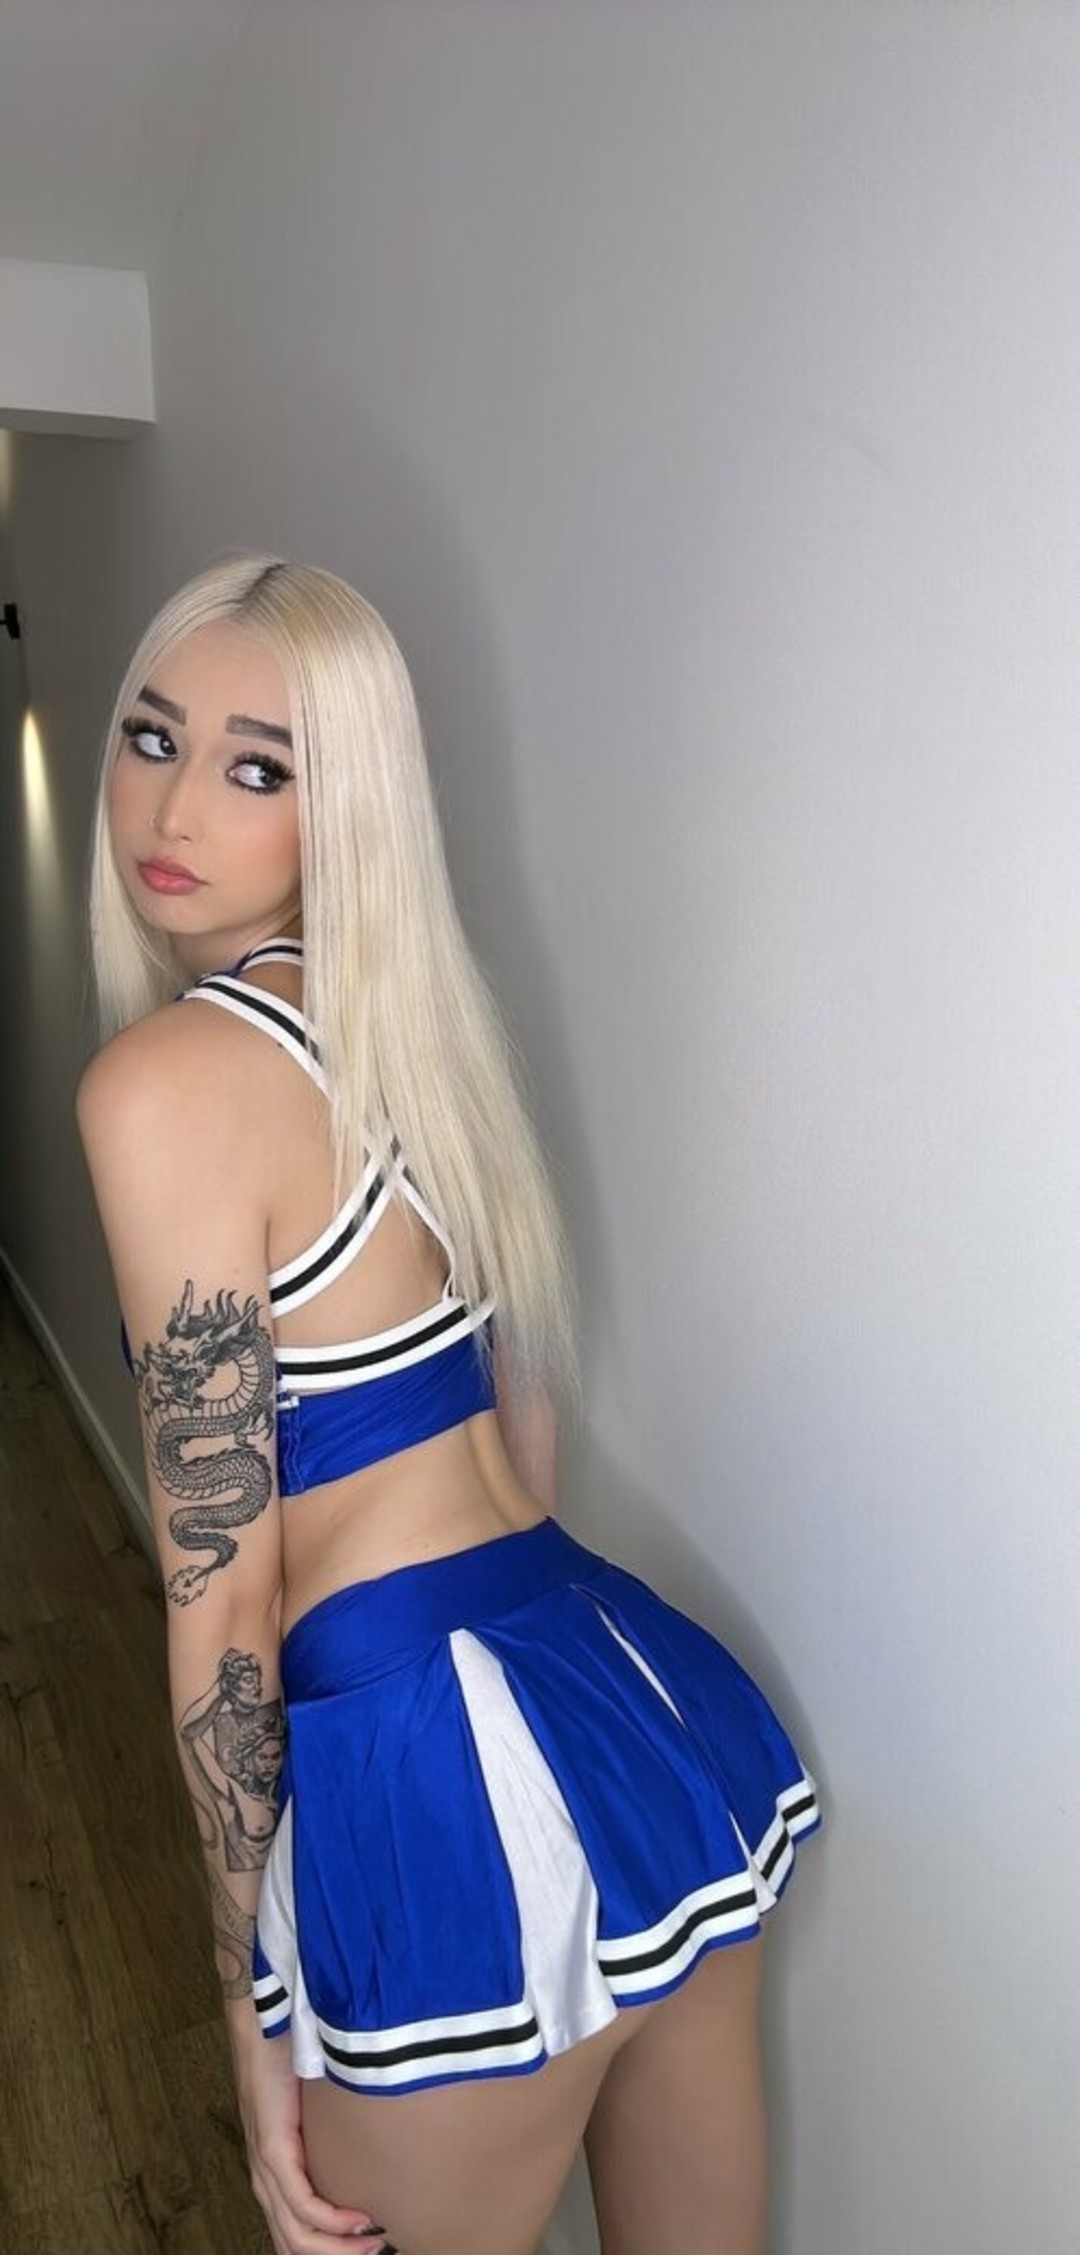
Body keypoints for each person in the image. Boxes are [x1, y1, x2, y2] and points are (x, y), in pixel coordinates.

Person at [76, 556, 820, 2255]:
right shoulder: (429, 1032)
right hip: (637, 1707)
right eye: (154, 736)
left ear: (346, 804)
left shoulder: (165, 1082)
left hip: (429, 1784)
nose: (175, 809)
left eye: (260, 766)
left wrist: (247, 2014)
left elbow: (224, 1605)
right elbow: (526, 1423)